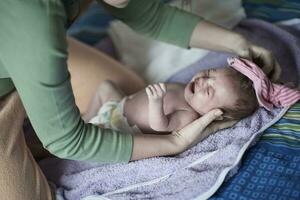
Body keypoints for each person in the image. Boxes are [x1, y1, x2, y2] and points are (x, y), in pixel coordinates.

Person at [0, 0, 281, 199]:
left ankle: (32, 87)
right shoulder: (34, 18)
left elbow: (150, 15)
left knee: (128, 86)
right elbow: (66, 140)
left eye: (211, 87)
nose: (204, 80)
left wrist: (238, 43)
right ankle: (22, 97)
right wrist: (173, 143)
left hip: (31, 45)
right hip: (29, 45)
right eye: (207, 74)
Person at [83, 63, 258, 135]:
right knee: (106, 86)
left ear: (216, 113)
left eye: (209, 91)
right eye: (208, 73)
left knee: (88, 133)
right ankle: (86, 116)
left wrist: (156, 103)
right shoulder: (187, 89)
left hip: (117, 127)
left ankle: (86, 123)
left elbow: (160, 125)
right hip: (119, 106)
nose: (202, 81)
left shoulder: (188, 115)